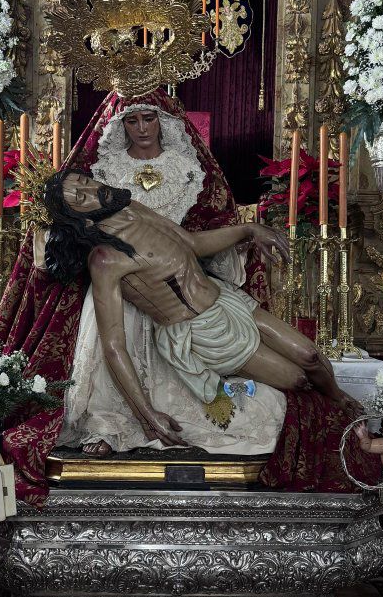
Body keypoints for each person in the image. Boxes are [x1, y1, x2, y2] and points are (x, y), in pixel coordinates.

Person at [42, 169, 383, 526]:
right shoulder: (105, 259)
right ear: (78, 218)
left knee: (312, 356)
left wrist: (248, 229)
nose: (92, 191)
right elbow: (113, 346)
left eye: (85, 182)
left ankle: (348, 412)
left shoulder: (134, 209)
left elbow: (192, 243)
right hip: (203, 332)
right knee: (297, 381)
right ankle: (369, 449)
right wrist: (147, 414)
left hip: (227, 300)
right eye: (80, 197)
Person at [56, 100, 286, 457]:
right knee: (112, 345)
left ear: (163, 121)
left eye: (149, 118)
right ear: (121, 126)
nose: (142, 128)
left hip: (176, 279)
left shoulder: (186, 166)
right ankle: (111, 422)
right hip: (121, 278)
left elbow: (202, 225)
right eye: (132, 121)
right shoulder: (104, 169)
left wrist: (241, 234)